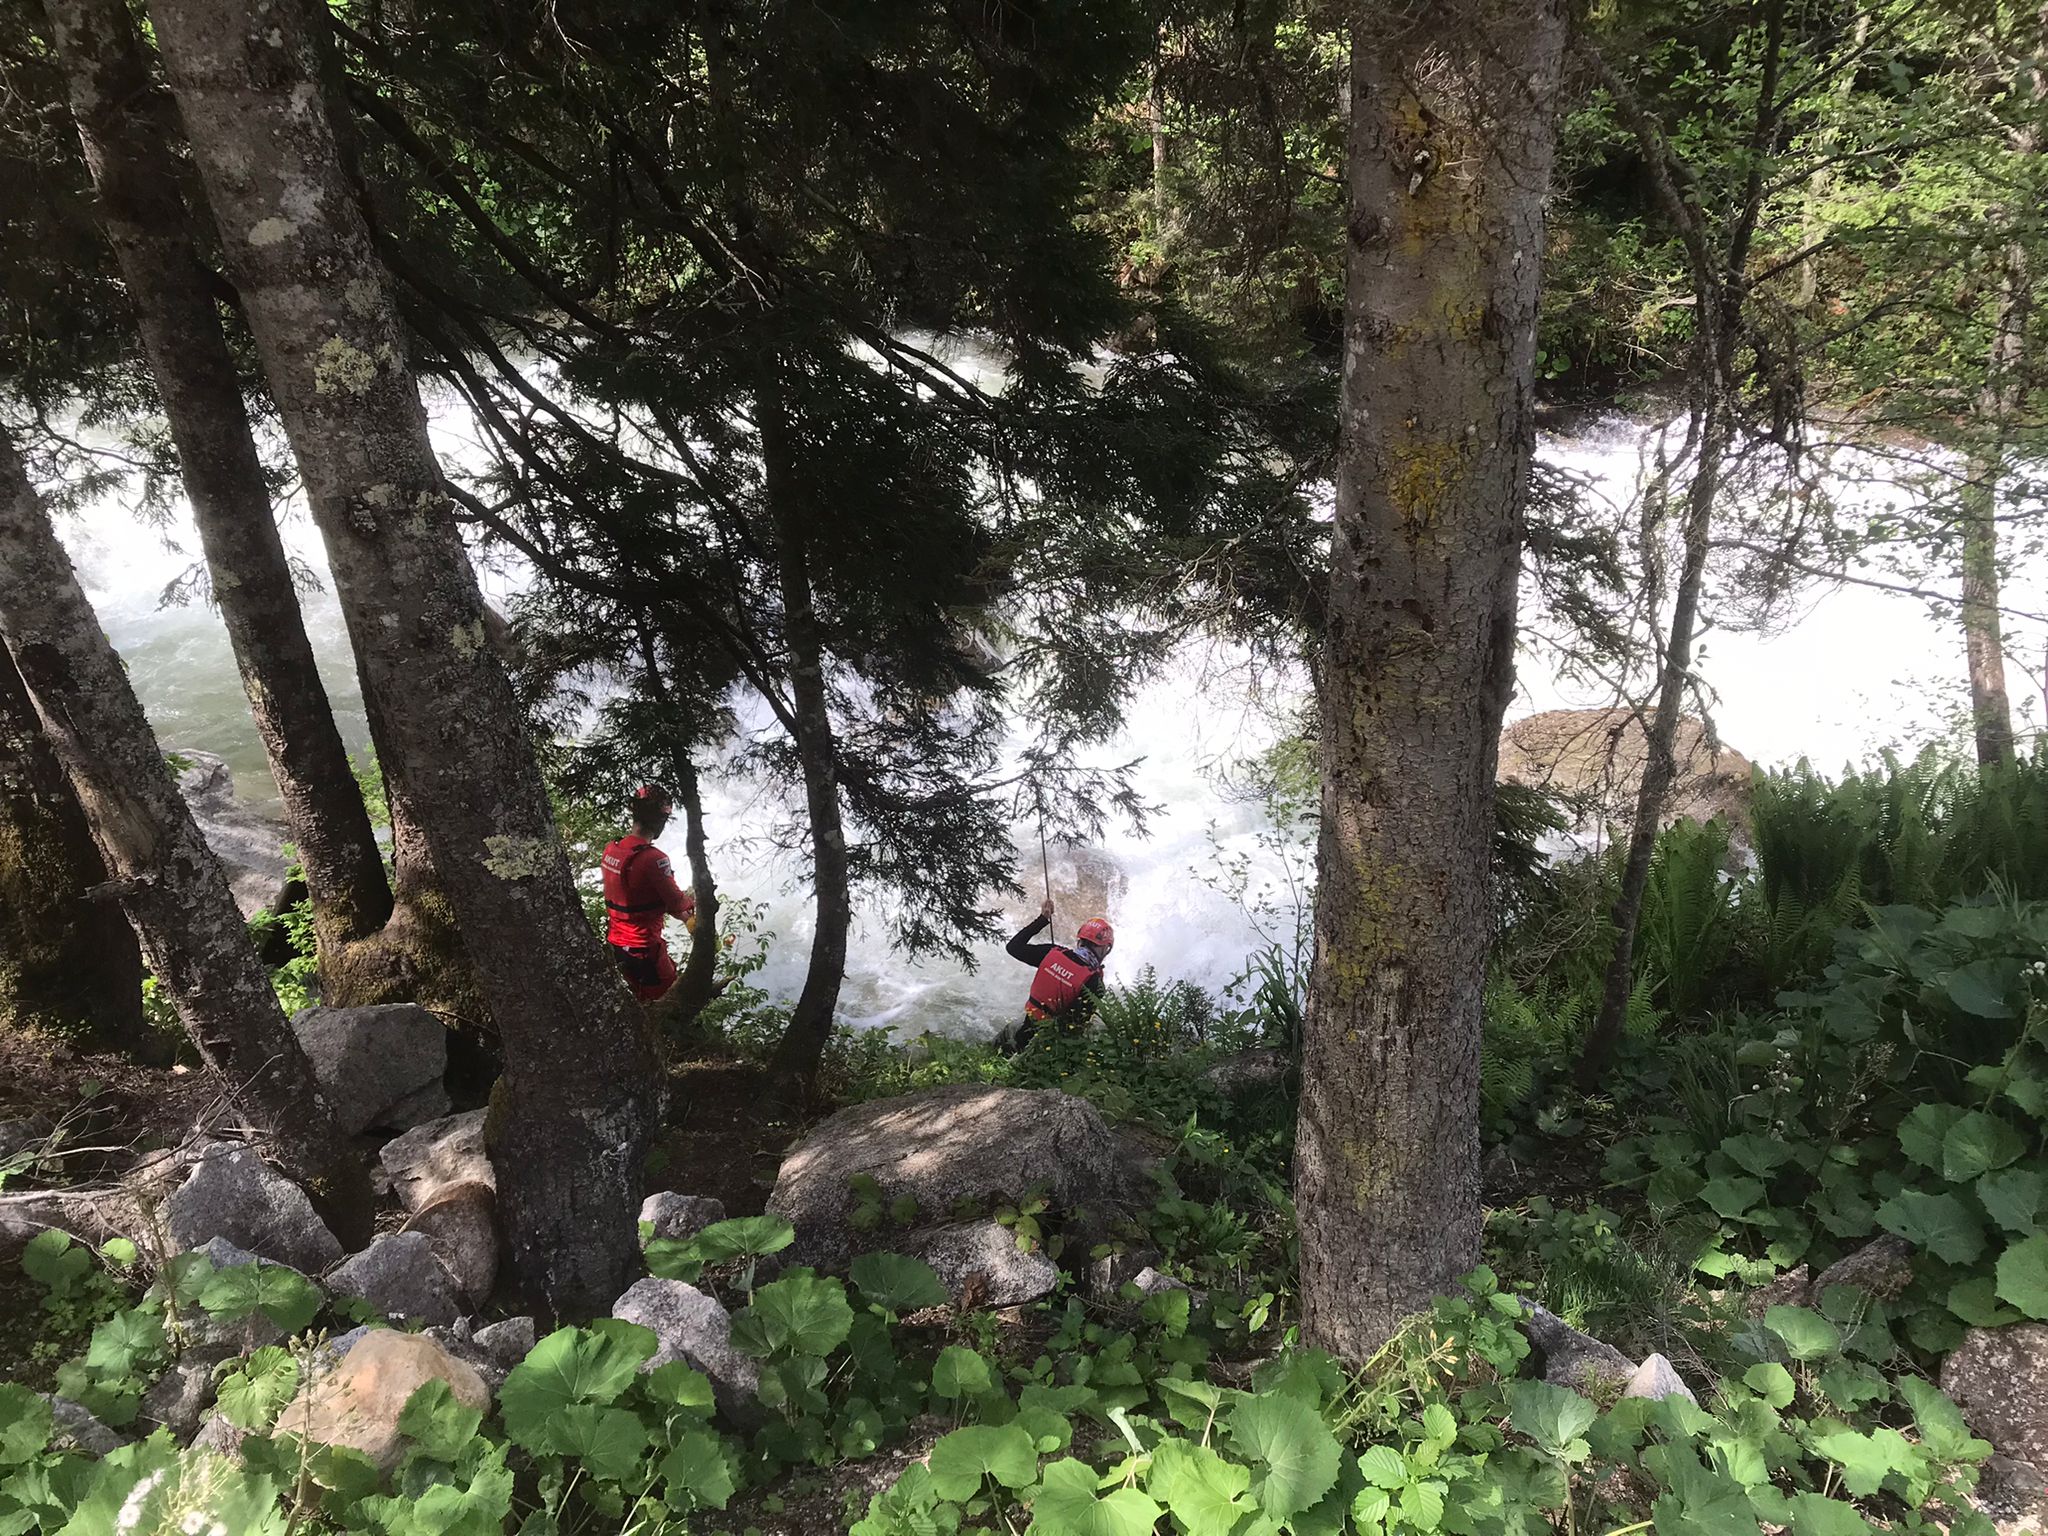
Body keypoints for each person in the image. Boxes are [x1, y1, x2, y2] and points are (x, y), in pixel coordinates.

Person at [601, 783, 697, 1001]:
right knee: (667, 1004)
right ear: (660, 821)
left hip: (617, 944)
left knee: (639, 997)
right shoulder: (654, 859)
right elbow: (677, 902)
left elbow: (637, 894)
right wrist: (692, 901)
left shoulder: (612, 849)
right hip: (644, 948)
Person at [1001, 898, 1113, 1052]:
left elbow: (1013, 947)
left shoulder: (1053, 952)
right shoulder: (1093, 981)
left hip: (1025, 1030)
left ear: (1080, 941)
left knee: (1012, 1032)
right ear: (1103, 948)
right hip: (1046, 1047)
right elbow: (1075, 1026)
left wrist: (1042, 919)